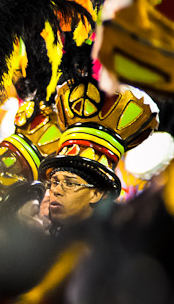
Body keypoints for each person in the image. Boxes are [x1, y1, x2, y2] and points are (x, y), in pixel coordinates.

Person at [38, 78, 158, 231]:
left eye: (69, 183)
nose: (55, 190)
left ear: (97, 193)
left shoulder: (114, 247)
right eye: (54, 181)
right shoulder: (39, 240)